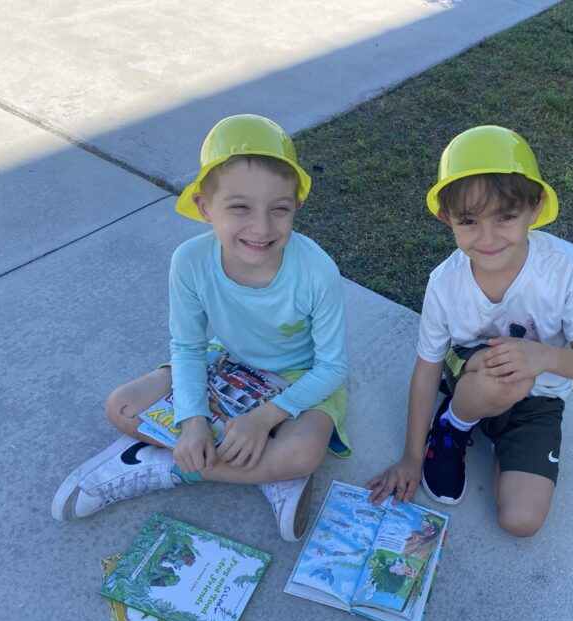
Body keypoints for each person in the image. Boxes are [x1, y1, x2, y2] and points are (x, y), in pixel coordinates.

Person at [52, 114, 350, 541]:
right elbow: (188, 347)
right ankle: (264, 473)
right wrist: (191, 420)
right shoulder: (189, 261)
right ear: (204, 207)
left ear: (296, 207)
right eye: (240, 207)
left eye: (278, 209)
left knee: (303, 452)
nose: (261, 227)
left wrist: (263, 418)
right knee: (121, 405)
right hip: (225, 362)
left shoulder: (317, 270)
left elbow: (333, 369)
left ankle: (161, 466)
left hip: (301, 377)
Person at [367, 125, 573, 537]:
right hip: (473, 372)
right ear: (446, 218)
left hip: (540, 400)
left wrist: (543, 356)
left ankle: (495, 427)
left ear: (535, 207)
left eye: (506, 217)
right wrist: (410, 457)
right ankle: (452, 427)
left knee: (521, 521)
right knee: (506, 374)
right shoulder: (444, 282)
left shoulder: (567, 266)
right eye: (470, 221)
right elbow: (427, 368)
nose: (488, 237)